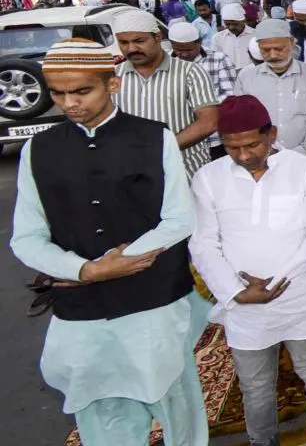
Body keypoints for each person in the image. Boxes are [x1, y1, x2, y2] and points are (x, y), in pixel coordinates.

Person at [10, 39, 207, 445]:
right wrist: (87, 270)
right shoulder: (38, 150)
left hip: (152, 295)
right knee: (98, 405)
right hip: (80, 302)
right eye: (59, 94)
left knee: (172, 396)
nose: (71, 103)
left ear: (112, 85)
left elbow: (179, 219)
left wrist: (123, 262)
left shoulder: (156, 138)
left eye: (82, 91)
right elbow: (26, 238)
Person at [189, 96, 306, 446]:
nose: (243, 155)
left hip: (299, 295)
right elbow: (203, 243)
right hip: (243, 305)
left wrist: (278, 279)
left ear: (271, 134)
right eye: (232, 148)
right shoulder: (209, 178)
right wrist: (235, 291)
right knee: (255, 386)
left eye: (252, 144)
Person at [112, 10, 219, 178]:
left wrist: (161, 149)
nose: (131, 48)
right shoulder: (113, 76)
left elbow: (208, 122)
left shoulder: (190, 72)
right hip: (132, 174)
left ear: (157, 37)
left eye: (139, 41)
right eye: (123, 42)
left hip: (186, 171)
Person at [233, 19, 306, 166]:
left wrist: (301, 152)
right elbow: (241, 120)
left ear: (291, 43)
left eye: (279, 49)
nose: (273, 55)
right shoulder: (246, 78)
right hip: (264, 162)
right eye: (266, 50)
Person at [169, 21, 236, 161]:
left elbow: (229, 95)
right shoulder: (167, 64)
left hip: (214, 139)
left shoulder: (218, 59)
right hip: (180, 138)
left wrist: (200, 107)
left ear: (198, 42)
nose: (183, 54)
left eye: (188, 50)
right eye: (178, 50)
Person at [213, 3, 256, 70]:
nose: (231, 27)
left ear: (244, 20)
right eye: (227, 24)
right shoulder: (217, 38)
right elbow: (216, 62)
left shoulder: (255, 35)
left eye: (235, 24)